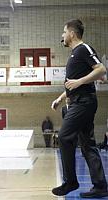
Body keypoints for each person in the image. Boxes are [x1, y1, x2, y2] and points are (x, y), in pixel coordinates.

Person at [51, 19, 108, 198]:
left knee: (64, 137)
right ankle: (100, 186)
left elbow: (101, 69)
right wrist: (61, 98)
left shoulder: (84, 49)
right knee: (88, 145)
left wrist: (81, 81)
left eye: (64, 32)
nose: (62, 35)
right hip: (77, 101)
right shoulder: (74, 54)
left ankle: (70, 181)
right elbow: (72, 84)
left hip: (84, 103)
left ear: (72, 34)